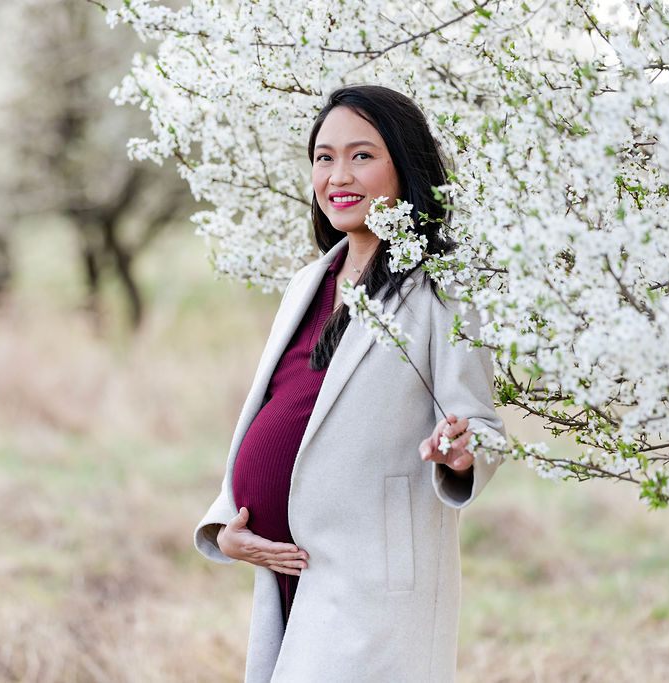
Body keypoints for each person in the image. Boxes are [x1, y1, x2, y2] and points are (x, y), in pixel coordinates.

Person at [193, 85, 506, 682]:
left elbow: (484, 428)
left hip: (375, 584)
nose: (340, 174)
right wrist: (227, 526)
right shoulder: (310, 281)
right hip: (290, 576)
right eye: (324, 156)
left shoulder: (444, 287)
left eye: (362, 156)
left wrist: (463, 453)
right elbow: (280, 406)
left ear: (404, 167)